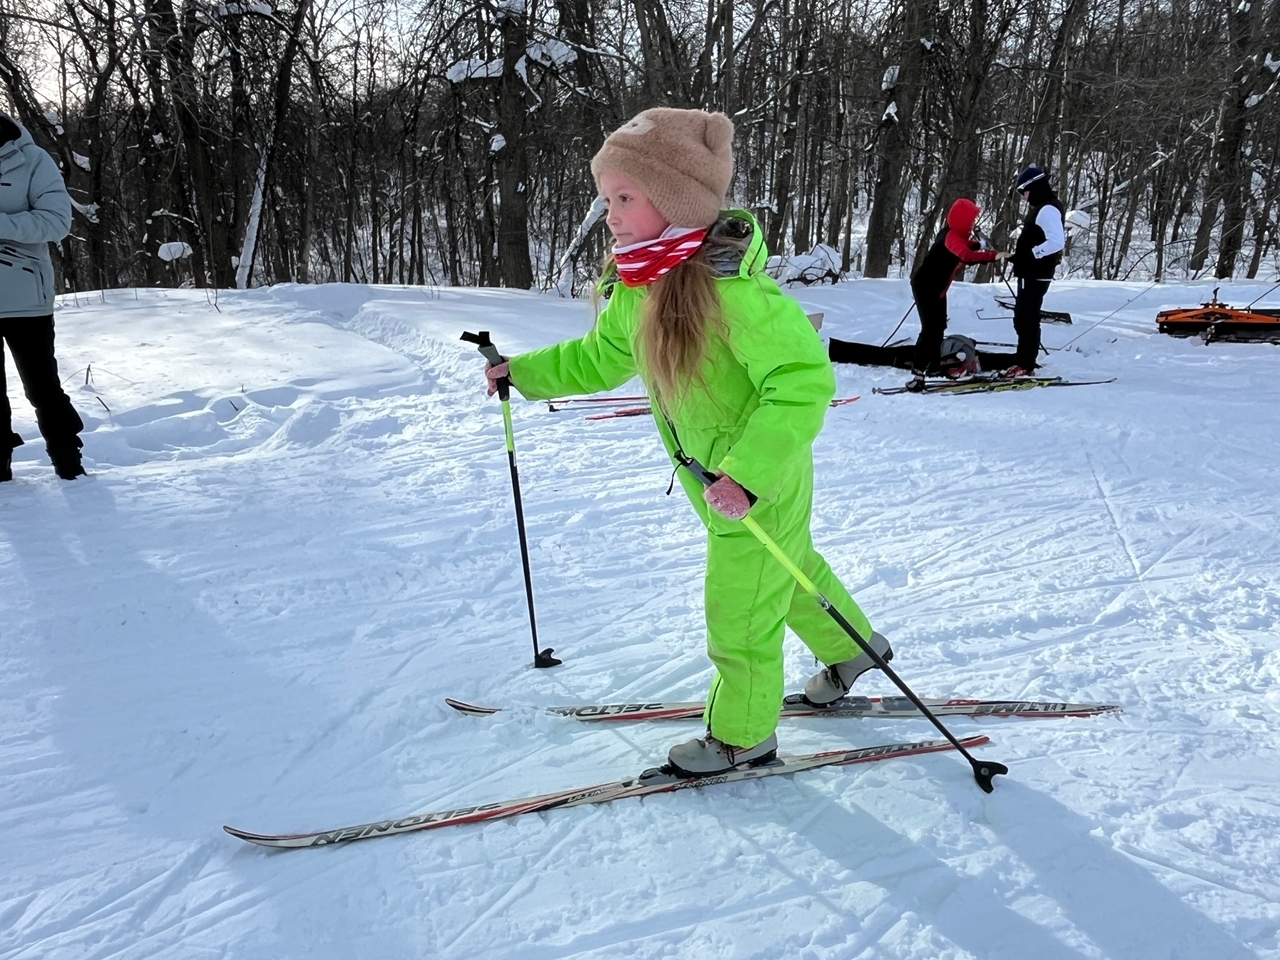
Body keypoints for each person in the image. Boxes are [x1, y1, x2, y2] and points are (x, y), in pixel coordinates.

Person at [481, 107, 890, 776]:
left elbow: (802, 382)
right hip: (715, 480)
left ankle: (742, 735)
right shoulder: (642, 287)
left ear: (673, 200)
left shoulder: (733, 294)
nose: (609, 213)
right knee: (785, 576)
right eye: (606, 197)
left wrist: (748, 472)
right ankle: (854, 649)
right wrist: (520, 373)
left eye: (624, 197)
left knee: (739, 611)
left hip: (757, 480)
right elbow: (599, 358)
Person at [0, 111, 82, 481]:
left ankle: (69, 466)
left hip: (24, 298)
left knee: (43, 388)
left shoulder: (32, 159)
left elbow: (57, 222)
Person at [907, 197, 1009, 387]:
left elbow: (966, 245)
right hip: (925, 286)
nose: (972, 224)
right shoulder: (950, 236)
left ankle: (934, 366)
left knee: (939, 327)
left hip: (938, 288)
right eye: (970, 220)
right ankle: (918, 372)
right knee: (930, 329)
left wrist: (980, 245)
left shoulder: (955, 234)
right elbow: (966, 255)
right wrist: (993, 256)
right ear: (961, 220)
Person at [1007, 164, 1065, 376]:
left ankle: (1026, 364)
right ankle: (1023, 361)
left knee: (1027, 318)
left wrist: (1032, 254)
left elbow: (1057, 242)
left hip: (1036, 273)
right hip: (1030, 272)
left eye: (1023, 191)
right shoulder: (1043, 207)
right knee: (1022, 317)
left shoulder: (1047, 209)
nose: (1022, 197)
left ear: (1034, 187)